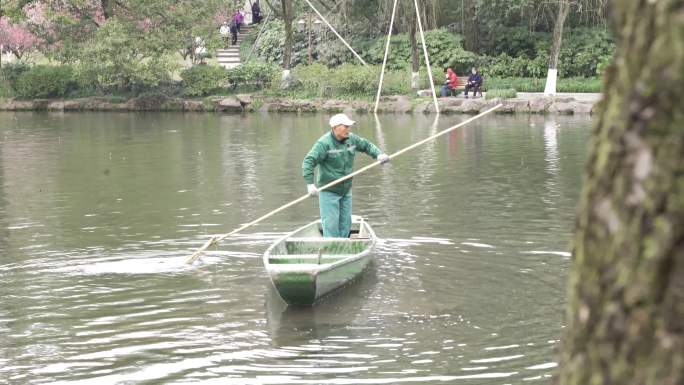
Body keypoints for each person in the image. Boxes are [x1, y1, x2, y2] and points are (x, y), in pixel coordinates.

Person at [302, 113, 390, 238]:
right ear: (334, 127)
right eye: (345, 126)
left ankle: (343, 246)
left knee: (345, 224)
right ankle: (331, 250)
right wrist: (310, 184)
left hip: (346, 190)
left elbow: (366, 146)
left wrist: (378, 154)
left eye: (349, 126)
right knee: (331, 224)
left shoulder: (352, 139)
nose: (349, 129)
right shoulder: (324, 143)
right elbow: (308, 161)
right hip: (328, 190)